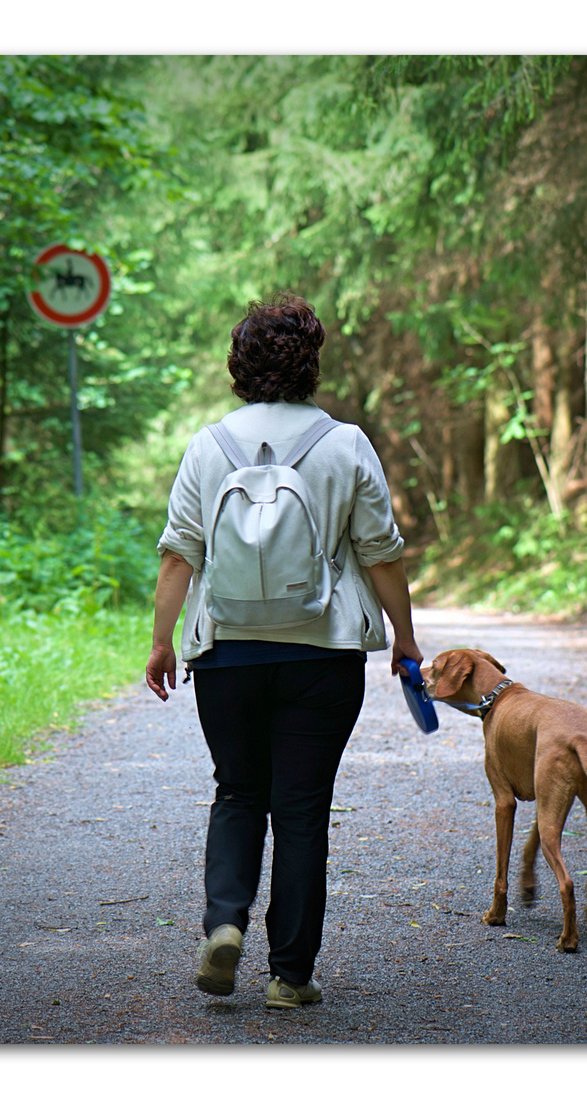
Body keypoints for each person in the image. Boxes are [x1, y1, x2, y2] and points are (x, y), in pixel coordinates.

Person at [146, 293, 422, 1009]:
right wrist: (404, 636)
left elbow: (180, 555)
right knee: (301, 809)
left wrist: (162, 643)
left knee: (238, 790)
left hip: (227, 654)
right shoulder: (346, 442)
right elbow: (381, 554)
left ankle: (224, 923)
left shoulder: (209, 444)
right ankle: (290, 976)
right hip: (321, 655)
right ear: (311, 363)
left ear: (239, 364)